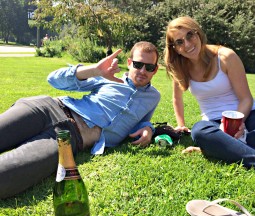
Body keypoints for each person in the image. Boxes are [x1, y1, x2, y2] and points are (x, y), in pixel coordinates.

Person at [0, 41, 160, 199]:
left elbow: (142, 122)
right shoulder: (107, 78)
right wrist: (94, 70)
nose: (143, 70)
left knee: (9, 174)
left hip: (70, 138)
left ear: (156, 69)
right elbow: (53, 79)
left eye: (149, 67)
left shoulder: (153, 97)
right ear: (130, 63)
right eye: (138, 64)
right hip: (47, 108)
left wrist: (148, 128)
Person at [164, 16, 255, 178]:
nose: (187, 44)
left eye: (190, 35)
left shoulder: (225, 57)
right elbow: (176, 98)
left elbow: (246, 99)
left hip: (248, 116)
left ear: (198, 33)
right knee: (200, 131)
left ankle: (220, 148)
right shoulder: (180, 66)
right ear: (175, 48)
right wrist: (181, 125)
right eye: (179, 42)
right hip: (213, 124)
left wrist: (237, 123)